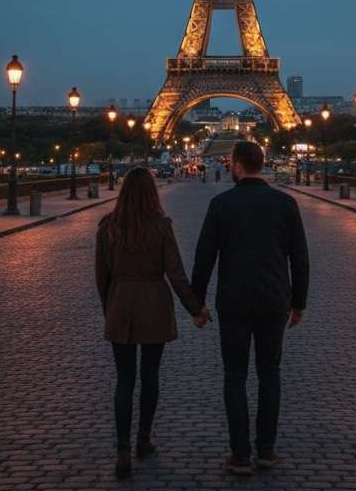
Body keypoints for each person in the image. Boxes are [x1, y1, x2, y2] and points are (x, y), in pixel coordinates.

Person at [191, 140, 310, 475]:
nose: (229, 166)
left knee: (234, 376)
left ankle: (240, 454)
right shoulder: (286, 204)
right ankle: (267, 450)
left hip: (233, 302)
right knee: (270, 374)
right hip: (274, 301)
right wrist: (299, 303)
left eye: (230, 162)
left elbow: (204, 258)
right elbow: (300, 259)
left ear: (239, 166)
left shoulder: (221, 204)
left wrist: (196, 303)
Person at [95, 167, 210, 479]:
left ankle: (122, 449)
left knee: (124, 381)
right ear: (151, 192)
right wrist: (196, 308)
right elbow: (176, 273)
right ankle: (143, 439)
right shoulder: (161, 226)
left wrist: (110, 308)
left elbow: (101, 277)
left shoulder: (108, 226)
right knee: (150, 377)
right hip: (154, 304)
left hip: (121, 303)